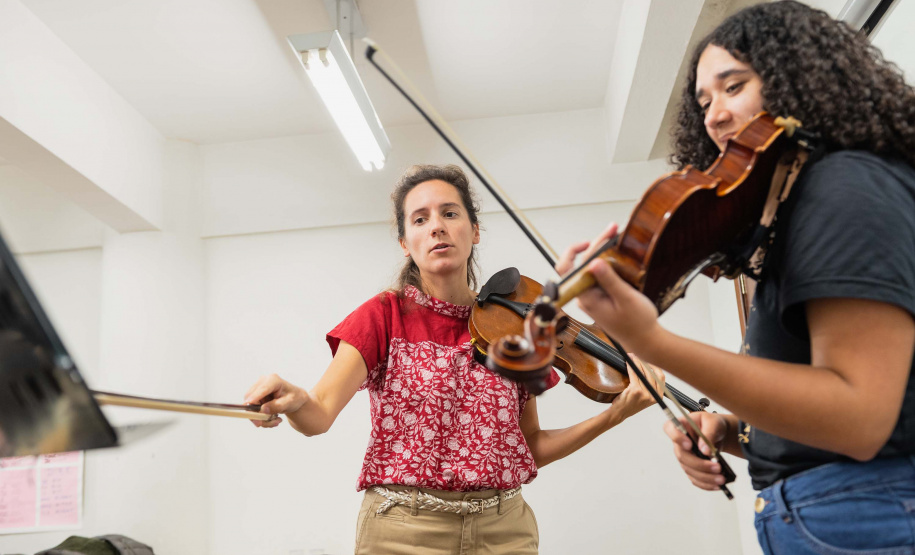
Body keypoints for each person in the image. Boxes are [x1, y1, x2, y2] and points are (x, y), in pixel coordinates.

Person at [562, 2, 915, 553]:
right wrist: (730, 431)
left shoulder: (844, 187)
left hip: (864, 513)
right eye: (704, 101)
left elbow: (860, 419)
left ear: (799, 79)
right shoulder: (796, 209)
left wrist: (650, 341)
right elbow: (823, 412)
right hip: (830, 511)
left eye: (734, 87)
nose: (715, 115)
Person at [243, 164, 663, 554]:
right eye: (420, 219)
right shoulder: (382, 315)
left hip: (505, 531)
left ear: (474, 230)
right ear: (406, 243)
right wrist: (295, 399)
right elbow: (318, 415)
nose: (437, 228)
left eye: (449, 213)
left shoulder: (515, 325)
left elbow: (528, 446)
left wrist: (614, 416)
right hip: (403, 531)